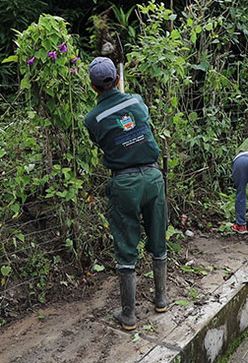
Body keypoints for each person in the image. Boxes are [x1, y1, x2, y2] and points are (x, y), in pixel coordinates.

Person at [83, 57, 168, 331]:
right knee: (157, 237)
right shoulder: (137, 102)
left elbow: (103, 141)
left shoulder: (92, 119)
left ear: (93, 86)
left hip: (125, 182)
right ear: (117, 80)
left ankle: (129, 315)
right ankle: (161, 299)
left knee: (126, 245)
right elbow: (141, 123)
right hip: (153, 177)